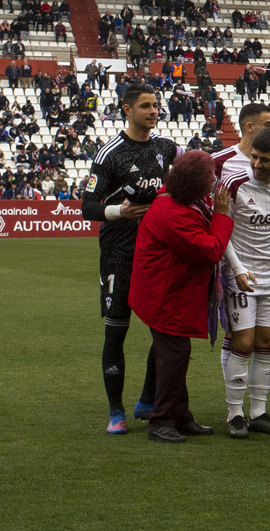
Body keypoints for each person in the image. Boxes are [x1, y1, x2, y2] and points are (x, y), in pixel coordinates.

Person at [81, 83, 180, 434]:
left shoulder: (167, 148)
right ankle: (116, 411)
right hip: (119, 253)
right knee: (116, 331)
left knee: (165, 333)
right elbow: (86, 207)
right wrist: (118, 211)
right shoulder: (110, 153)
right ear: (126, 109)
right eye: (145, 106)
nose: (153, 111)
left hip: (157, 251)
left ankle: (148, 400)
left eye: (155, 106)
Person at [130, 150, 234, 443]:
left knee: (175, 355)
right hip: (165, 296)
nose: (214, 181)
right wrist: (222, 215)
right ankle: (162, 420)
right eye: (209, 177)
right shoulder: (174, 213)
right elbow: (210, 249)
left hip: (165, 291)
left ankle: (179, 415)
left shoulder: (174, 200)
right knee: (174, 356)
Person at [220, 128, 270, 438]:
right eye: (253, 157)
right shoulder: (233, 184)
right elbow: (221, 231)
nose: (256, 164)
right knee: (243, 342)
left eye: (264, 160)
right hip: (241, 276)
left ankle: (259, 412)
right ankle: (234, 413)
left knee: (268, 343)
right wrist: (236, 269)